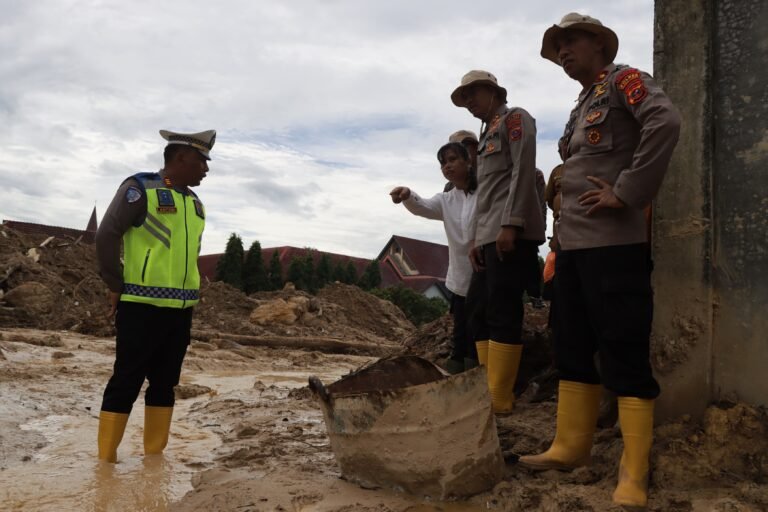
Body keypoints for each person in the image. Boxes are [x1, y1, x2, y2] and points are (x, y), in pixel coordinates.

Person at [517, 13, 681, 509]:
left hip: (615, 247)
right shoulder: (580, 105)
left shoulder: (625, 82)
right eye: (558, 45)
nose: (563, 51)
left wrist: (627, 192)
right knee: (570, 342)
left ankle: (634, 470)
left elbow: (666, 121)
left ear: (599, 44)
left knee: (623, 348)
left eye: (571, 42)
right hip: (571, 248)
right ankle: (571, 445)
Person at [95, 129, 216, 463]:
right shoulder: (140, 189)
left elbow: (191, 256)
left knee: (165, 385)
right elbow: (107, 235)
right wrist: (114, 285)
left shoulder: (195, 204)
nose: (206, 169)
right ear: (181, 157)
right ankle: (105, 461)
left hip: (180, 312)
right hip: (141, 307)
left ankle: (153, 460)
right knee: (126, 381)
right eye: (202, 161)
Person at [451, 70, 546, 413]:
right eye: (465, 99)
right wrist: (477, 237)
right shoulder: (486, 132)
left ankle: (499, 398)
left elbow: (523, 170)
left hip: (509, 233)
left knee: (504, 309)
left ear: (492, 91)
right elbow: (485, 193)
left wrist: (512, 223)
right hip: (488, 234)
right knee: (478, 308)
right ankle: (486, 386)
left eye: (473, 94)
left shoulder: (515, 120)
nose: (470, 103)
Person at [390, 141, 478, 373]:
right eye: (443, 163)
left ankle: (478, 372)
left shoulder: (485, 192)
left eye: (452, 160)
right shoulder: (447, 199)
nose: (447, 166)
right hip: (459, 275)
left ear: (468, 160)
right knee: (460, 327)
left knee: (478, 327)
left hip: (484, 272)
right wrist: (408, 195)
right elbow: (424, 207)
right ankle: (457, 372)